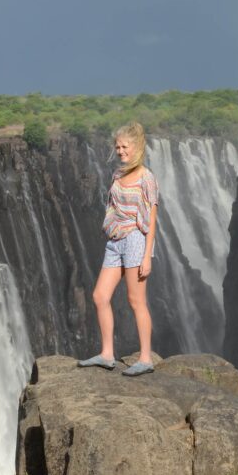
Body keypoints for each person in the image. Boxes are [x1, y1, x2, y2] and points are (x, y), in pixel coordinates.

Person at [78, 122, 159, 376]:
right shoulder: (117, 175)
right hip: (114, 241)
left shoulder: (147, 178)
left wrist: (148, 255)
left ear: (137, 147)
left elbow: (152, 218)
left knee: (136, 301)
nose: (121, 151)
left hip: (135, 240)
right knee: (100, 296)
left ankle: (146, 358)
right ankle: (107, 354)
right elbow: (112, 207)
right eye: (118, 147)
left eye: (125, 146)